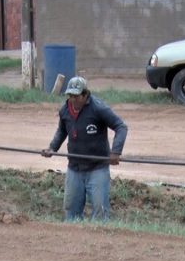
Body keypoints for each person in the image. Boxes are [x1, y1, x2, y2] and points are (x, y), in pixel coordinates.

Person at [41, 76, 128, 221]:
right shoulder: (65, 110)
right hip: (74, 168)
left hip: (97, 168)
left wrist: (116, 152)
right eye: (70, 96)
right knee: (71, 212)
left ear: (85, 94)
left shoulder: (98, 108)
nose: (73, 100)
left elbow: (121, 127)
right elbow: (62, 131)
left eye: (76, 96)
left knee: (100, 212)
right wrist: (52, 148)